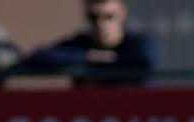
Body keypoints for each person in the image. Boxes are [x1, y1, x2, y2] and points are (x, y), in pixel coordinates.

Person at [26, 0, 157, 86]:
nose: (101, 24)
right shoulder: (81, 44)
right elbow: (40, 55)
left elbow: (145, 58)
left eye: (108, 16)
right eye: (94, 18)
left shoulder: (137, 42)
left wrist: (109, 58)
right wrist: (89, 56)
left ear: (122, 12)